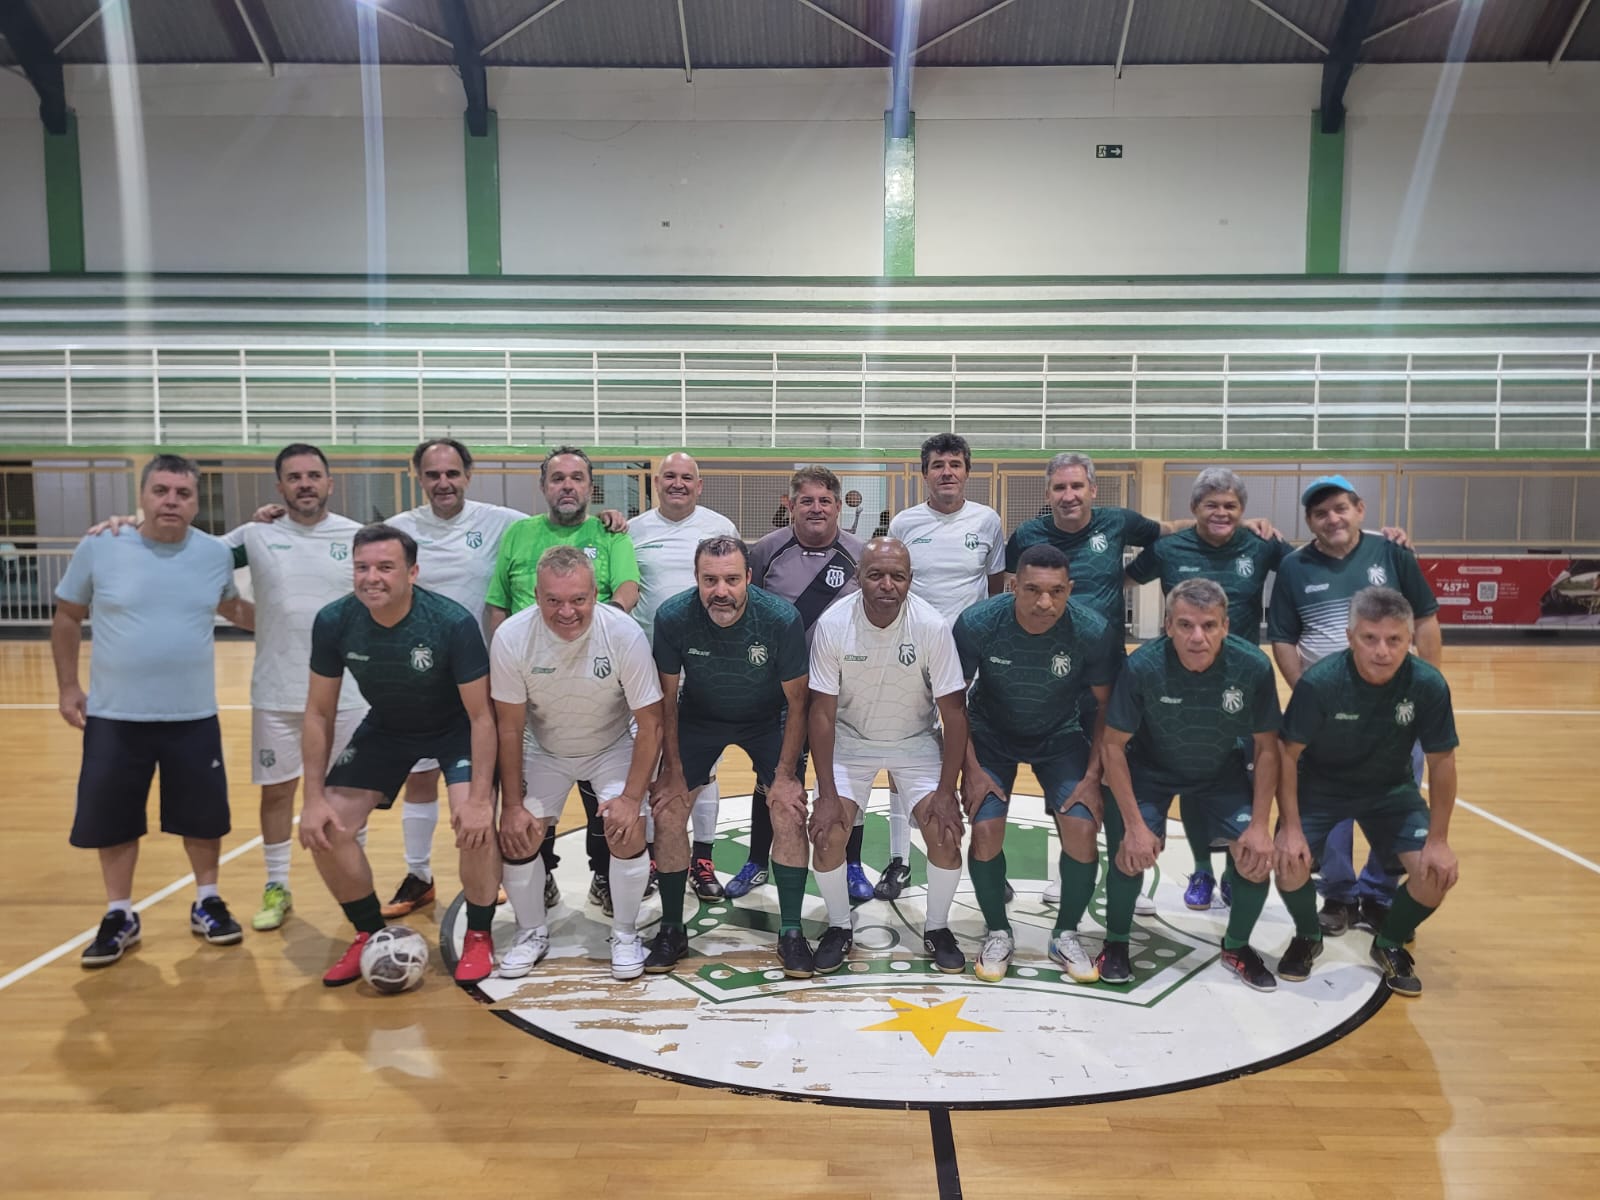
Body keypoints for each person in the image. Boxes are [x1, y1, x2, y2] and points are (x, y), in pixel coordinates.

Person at [54, 454, 254, 968]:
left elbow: (234, 608)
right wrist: (68, 686)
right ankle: (120, 912)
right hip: (115, 716)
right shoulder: (102, 544)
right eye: (161, 490)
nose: (171, 501)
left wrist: (302, 617)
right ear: (142, 496)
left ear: (195, 501)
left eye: (183, 493)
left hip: (192, 716)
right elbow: (68, 615)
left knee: (204, 818)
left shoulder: (212, 554)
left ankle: (207, 901)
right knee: (114, 820)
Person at [301, 523, 501, 987]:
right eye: (362, 567)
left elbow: (482, 718)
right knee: (327, 827)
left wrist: (477, 801)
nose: (372, 577)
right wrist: (311, 796)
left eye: (385, 567)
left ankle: (478, 934)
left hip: (455, 728)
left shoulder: (450, 622)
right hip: (389, 726)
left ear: (412, 572)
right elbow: (317, 713)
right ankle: (369, 933)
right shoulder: (334, 621)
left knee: (474, 826)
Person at [1267, 475, 1440, 937]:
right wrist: (1307, 691)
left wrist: (1432, 682)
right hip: (1328, 710)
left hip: (1394, 708)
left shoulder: (1393, 551)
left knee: (1396, 796)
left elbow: (1424, 617)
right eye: (1321, 513)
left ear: (1359, 509)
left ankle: (1381, 895)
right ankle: (1340, 894)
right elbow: (1282, 636)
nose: (1332, 518)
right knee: (1329, 802)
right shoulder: (1294, 566)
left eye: (1340, 508)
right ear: (1310, 521)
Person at [1273, 588, 1460, 997]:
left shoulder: (1427, 684)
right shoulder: (1320, 683)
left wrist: (1439, 840)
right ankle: (1308, 935)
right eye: (1369, 638)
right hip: (1320, 787)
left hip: (1389, 791)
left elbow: (1442, 762)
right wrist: (1289, 828)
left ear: (1410, 639)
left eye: (1395, 640)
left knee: (1436, 874)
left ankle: (1389, 942)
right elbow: (1286, 755)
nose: (1382, 651)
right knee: (1287, 862)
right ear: (1349, 636)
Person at [1099, 579, 1283, 990]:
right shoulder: (1142, 666)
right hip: (1150, 771)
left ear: (1226, 626)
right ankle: (1115, 943)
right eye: (1185, 625)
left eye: (1209, 626)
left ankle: (1236, 946)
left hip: (1221, 771)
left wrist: (1260, 824)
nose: (1197, 637)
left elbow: (1268, 749)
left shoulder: (1252, 666)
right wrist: (1134, 826)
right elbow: (1112, 748)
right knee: (1129, 856)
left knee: (1254, 859)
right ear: (1168, 625)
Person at [491, 547, 664, 980]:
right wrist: (511, 806)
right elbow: (509, 729)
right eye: (553, 601)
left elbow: (651, 722)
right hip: (543, 748)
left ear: (594, 594)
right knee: (518, 833)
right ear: (535, 595)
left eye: (578, 600)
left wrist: (630, 797)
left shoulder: (623, 633)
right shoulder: (512, 637)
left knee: (627, 828)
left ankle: (624, 933)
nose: (566, 611)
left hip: (610, 746)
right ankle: (531, 932)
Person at [954, 544, 1123, 983]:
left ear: (1070, 590)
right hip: (990, 735)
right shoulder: (979, 623)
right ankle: (997, 929)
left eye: (1056, 592)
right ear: (1013, 586)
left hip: (1061, 736)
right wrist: (969, 770)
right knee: (986, 829)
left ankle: (1066, 933)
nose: (1044, 603)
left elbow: (1108, 708)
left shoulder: (1092, 629)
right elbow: (952, 701)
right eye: (1032, 590)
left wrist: (1092, 776)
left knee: (1083, 828)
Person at [1123, 467, 1290, 911]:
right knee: (1191, 777)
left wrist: (1375, 536)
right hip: (1177, 679)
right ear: (1194, 508)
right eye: (1211, 505)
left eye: (1231, 506)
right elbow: (1121, 580)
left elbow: (1315, 559)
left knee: (1233, 780)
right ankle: (1202, 870)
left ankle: (1236, 871)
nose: (1221, 513)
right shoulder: (1169, 547)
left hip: (1238, 684)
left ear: (1243, 511)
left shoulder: (1261, 544)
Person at [486, 444, 643, 918]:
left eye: (577, 478)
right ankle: (543, 875)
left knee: (605, 798)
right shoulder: (518, 534)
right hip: (529, 684)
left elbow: (628, 589)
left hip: (595, 683)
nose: (568, 486)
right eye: (558, 479)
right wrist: (509, 656)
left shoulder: (609, 530)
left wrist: (590, 639)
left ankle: (604, 875)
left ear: (589, 487)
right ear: (544, 487)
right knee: (532, 800)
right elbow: (496, 602)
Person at [645, 535, 812, 976]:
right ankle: (670, 928)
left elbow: (798, 703)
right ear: (696, 580)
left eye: (732, 579)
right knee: (666, 810)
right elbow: (664, 699)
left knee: (789, 810)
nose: (721, 591)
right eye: (710, 580)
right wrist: (673, 770)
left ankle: (792, 931)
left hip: (767, 719)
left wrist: (786, 775)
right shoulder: (674, 616)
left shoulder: (779, 619)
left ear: (749, 579)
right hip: (699, 718)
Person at [219, 444, 367, 932]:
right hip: (278, 692)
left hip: (347, 695)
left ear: (330, 483)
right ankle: (276, 884)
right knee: (278, 793)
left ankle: (356, 881)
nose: (305, 484)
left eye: (313, 475)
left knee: (347, 795)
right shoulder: (255, 534)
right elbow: (197, 561)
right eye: (294, 477)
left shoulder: (356, 537)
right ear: (279, 487)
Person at [381, 439, 530, 919]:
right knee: (419, 778)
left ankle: (492, 870)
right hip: (418, 680)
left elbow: (557, 531)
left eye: (451, 473)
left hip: (480, 681)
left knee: (482, 783)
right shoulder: (398, 530)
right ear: (418, 478)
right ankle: (418, 875)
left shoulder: (502, 521)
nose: (442, 483)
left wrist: (611, 520)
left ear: (468, 475)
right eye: (432, 475)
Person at [807, 539, 970, 972]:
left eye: (897, 576)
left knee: (946, 833)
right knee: (827, 834)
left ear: (910, 581)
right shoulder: (833, 624)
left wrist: (947, 791)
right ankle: (840, 927)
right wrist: (825, 792)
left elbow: (953, 713)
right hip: (849, 741)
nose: (886, 585)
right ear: (858, 577)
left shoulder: (931, 626)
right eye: (876, 574)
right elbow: (821, 714)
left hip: (915, 741)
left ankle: (937, 928)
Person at [725, 465, 870, 903]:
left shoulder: (861, 556)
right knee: (773, 776)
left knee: (846, 780)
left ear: (839, 507)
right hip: (778, 688)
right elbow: (743, 612)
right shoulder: (765, 552)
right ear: (790, 505)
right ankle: (755, 861)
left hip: (839, 688)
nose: (816, 508)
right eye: (806, 500)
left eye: (825, 501)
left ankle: (853, 864)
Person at [878, 433, 1005, 900]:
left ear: (968, 471)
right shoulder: (907, 524)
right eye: (937, 465)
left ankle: (989, 862)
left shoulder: (988, 521)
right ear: (924, 473)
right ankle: (898, 860)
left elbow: (995, 587)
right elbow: (891, 586)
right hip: (913, 652)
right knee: (900, 751)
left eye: (955, 463)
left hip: (970, 655)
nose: (946, 471)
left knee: (975, 751)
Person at [627, 453, 739, 900]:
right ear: (656, 483)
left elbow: (732, 592)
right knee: (654, 762)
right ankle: (658, 856)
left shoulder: (720, 527)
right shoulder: (633, 531)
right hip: (648, 665)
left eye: (686, 478)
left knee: (704, 767)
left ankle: (703, 859)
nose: (677, 483)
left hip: (704, 662)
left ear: (700, 484)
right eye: (669, 476)